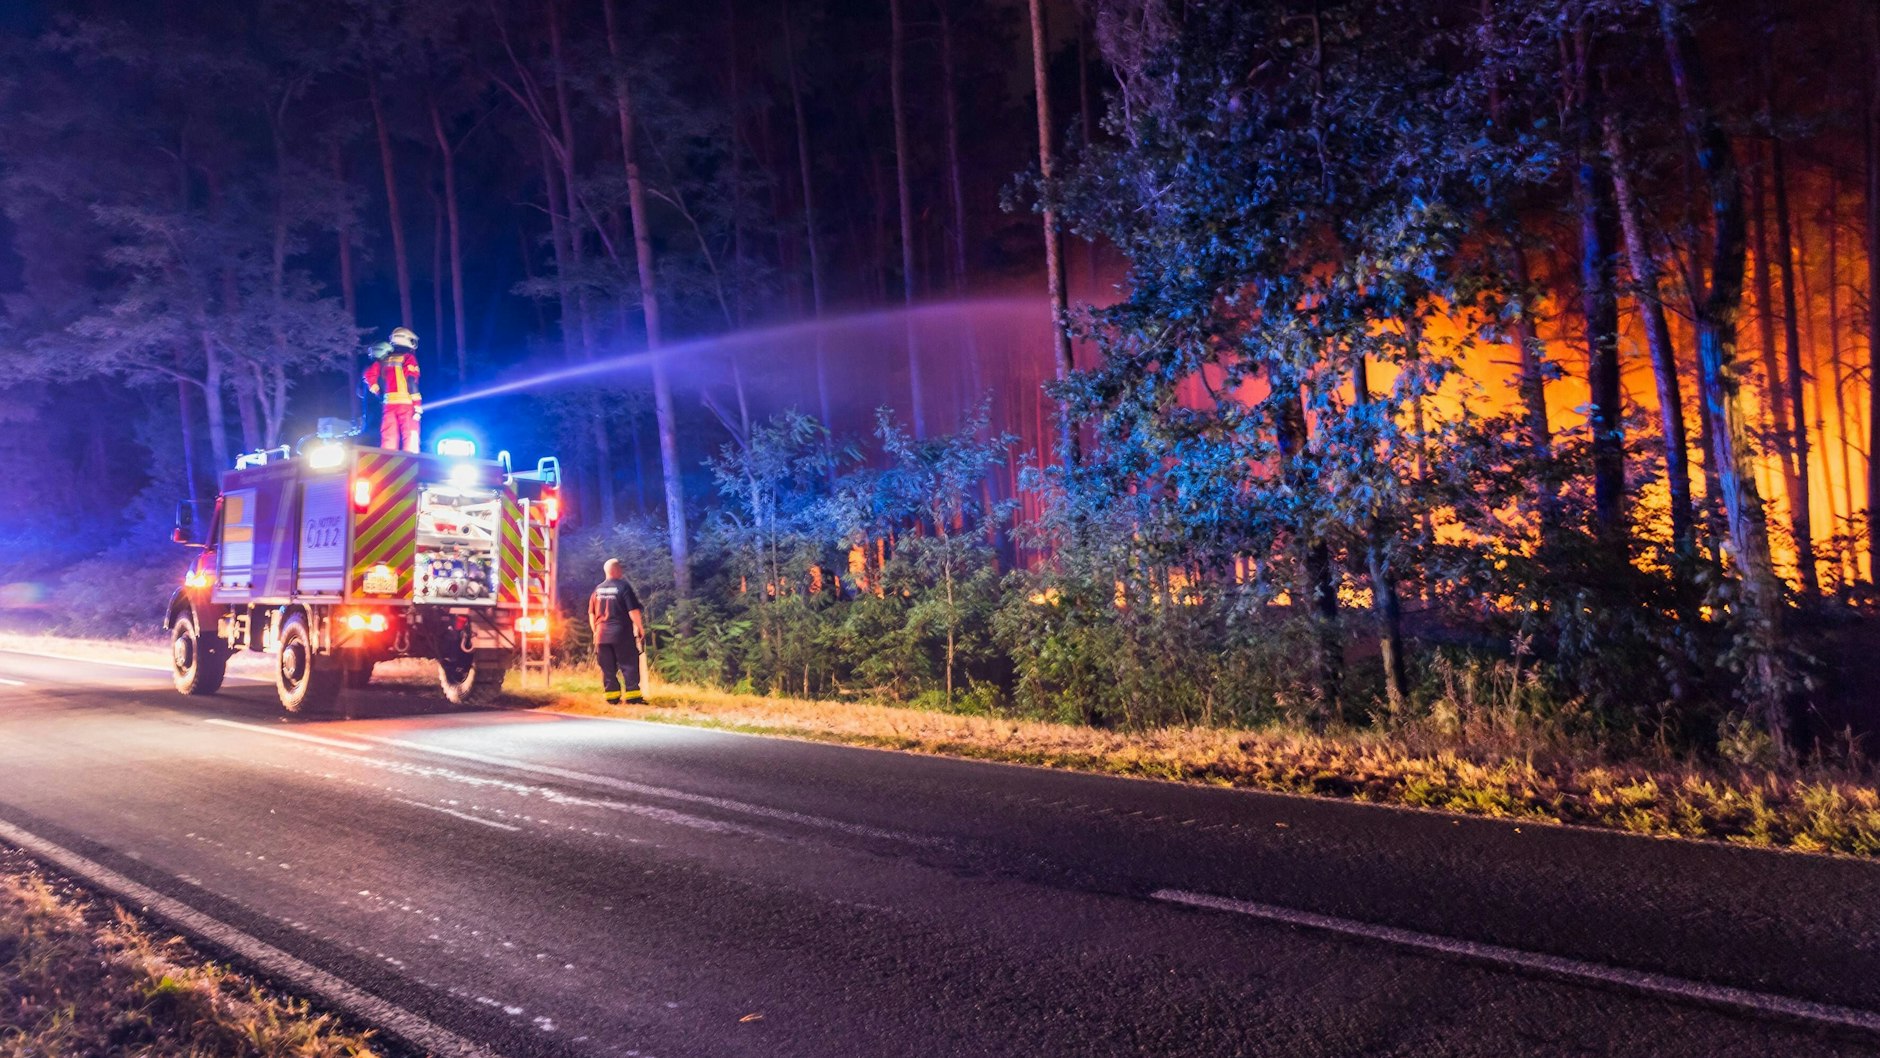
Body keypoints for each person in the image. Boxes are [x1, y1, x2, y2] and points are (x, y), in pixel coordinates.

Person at [588, 558, 646, 705]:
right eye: (621, 568)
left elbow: (591, 613)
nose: (622, 571)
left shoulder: (597, 589)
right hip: (621, 634)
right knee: (629, 665)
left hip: (601, 635)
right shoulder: (623, 587)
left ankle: (612, 698)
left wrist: (596, 631)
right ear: (615, 570)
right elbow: (633, 610)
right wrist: (640, 628)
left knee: (607, 668)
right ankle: (633, 698)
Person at [362, 327, 423, 452]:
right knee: (410, 434)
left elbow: (369, 375)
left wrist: (379, 393)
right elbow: (411, 381)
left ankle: (387, 460)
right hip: (406, 404)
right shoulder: (408, 358)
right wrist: (417, 405)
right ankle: (410, 461)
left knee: (389, 436)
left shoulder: (384, 359)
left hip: (388, 405)